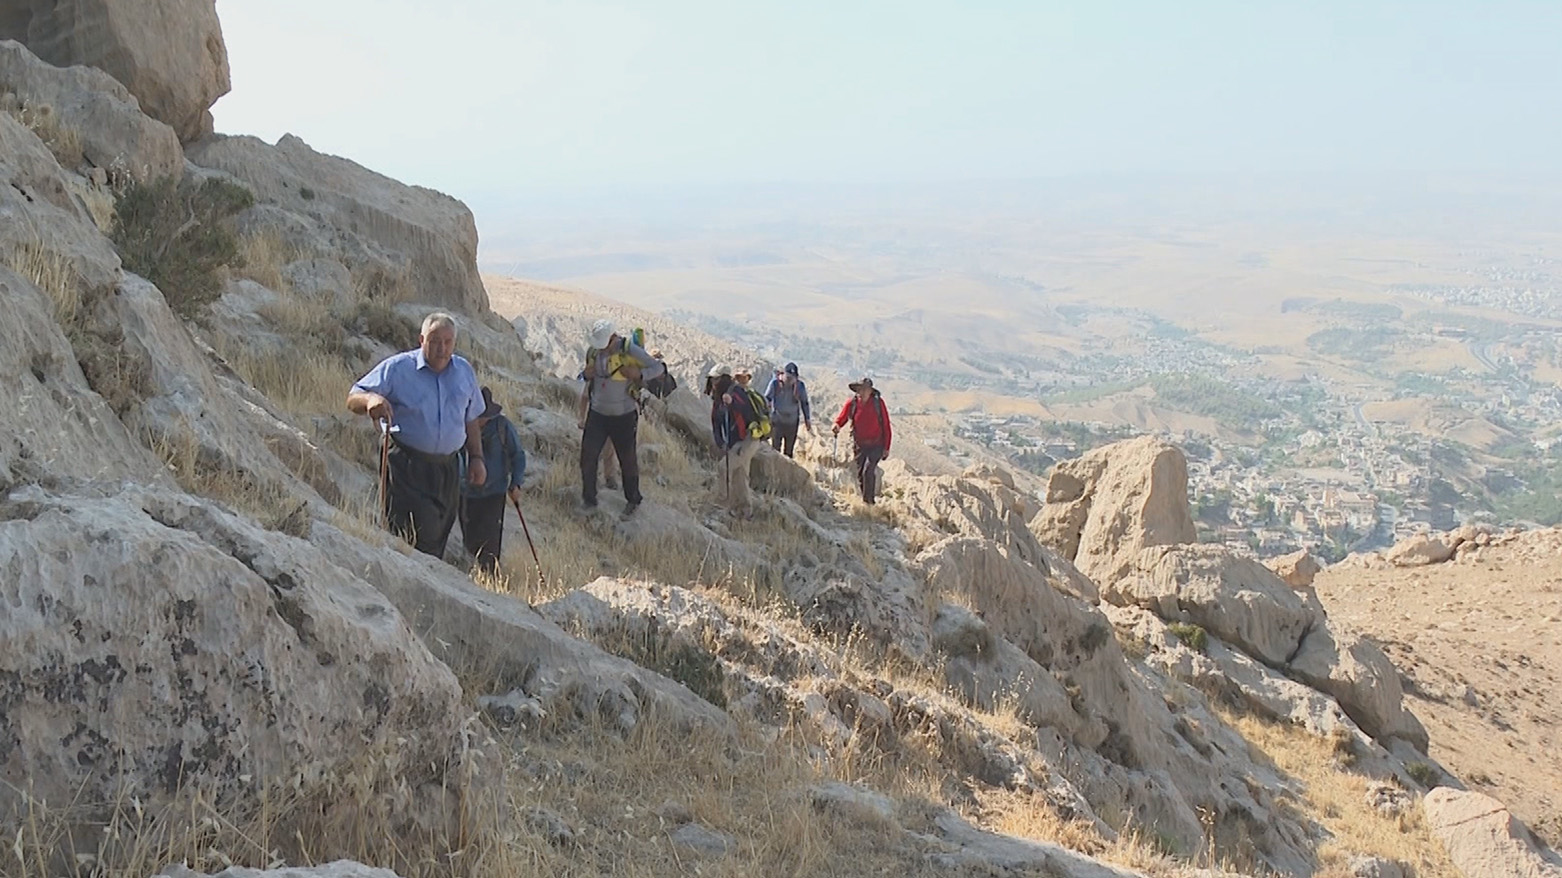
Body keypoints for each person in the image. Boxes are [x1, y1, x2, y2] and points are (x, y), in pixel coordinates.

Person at [348, 311, 486, 556]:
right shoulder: (398, 368)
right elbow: (353, 397)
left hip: (448, 468)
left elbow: (471, 418)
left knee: (440, 530)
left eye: (448, 342)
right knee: (417, 532)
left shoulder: (464, 371)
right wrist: (371, 400)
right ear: (421, 340)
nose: (441, 348)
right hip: (407, 465)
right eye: (434, 341)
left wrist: (476, 458)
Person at [580, 318, 665, 516]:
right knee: (588, 457)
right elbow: (586, 377)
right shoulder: (593, 352)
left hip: (624, 416)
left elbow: (658, 368)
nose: (602, 348)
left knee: (627, 460)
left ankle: (633, 499)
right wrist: (586, 374)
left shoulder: (629, 350)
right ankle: (589, 499)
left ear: (613, 338)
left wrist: (639, 374)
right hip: (597, 414)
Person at [460, 386, 528, 575]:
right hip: (465, 493)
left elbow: (518, 456)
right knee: (469, 538)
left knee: (490, 540)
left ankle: (490, 576)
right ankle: (472, 575)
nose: (481, 420)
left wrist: (516, 483)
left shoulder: (502, 427)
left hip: (494, 493)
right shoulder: (461, 427)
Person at [709, 365, 765, 518]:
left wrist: (732, 403)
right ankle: (744, 511)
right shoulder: (718, 398)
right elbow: (715, 423)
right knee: (740, 475)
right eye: (713, 379)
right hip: (736, 442)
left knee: (723, 468)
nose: (714, 382)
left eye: (716, 379)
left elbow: (746, 412)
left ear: (724, 379)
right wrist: (721, 443)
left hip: (748, 440)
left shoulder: (737, 393)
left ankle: (721, 505)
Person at [831, 376, 892, 505]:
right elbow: (843, 417)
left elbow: (886, 425)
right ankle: (866, 500)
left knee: (868, 470)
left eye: (865, 389)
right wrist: (837, 425)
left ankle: (869, 503)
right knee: (861, 475)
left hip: (876, 444)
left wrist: (886, 447)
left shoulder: (878, 403)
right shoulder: (852, 403)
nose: (862, 392)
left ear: (870, 391)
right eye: (860, 389)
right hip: (859, 445)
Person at [763, 362, 812, 458]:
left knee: (789, 451)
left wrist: (807, 419)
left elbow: (804, 402)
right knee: (775, 449)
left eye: (792, 378)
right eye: (788, 377)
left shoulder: (800, 386)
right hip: (778, 421)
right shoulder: (775, 383)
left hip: (792, 422)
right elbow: (767, 398)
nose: (789, 380)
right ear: (784, 374)